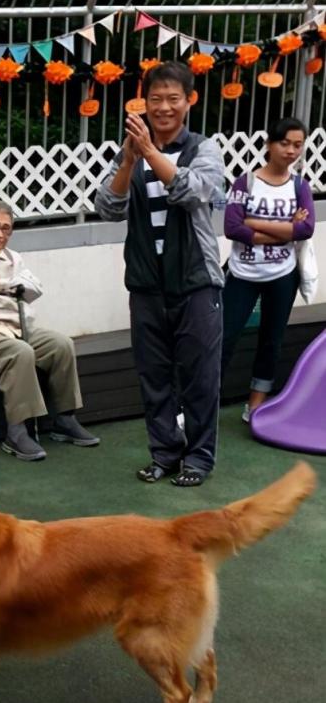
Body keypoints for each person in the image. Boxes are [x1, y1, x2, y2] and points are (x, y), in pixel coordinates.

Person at [94, 60, 226, 488]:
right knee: (153, 377)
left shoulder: (204, 149)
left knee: (200, 377)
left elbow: (192, 191)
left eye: (173, 99)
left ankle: (198, 459)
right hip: (146, 285)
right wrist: (129, 162)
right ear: (144, 102)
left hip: (197, 282)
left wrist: (150, 152)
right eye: (155, 99)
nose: (164, 107)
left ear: (190, 101)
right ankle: (165, 454)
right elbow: (107, 208)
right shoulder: (130, 151)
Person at [0, 200, 100, 461]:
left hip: (19, 326)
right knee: (20, 352)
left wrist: (0, 285)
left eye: (6, 229)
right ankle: (17, 430)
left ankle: (65, 418)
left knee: (61, 345)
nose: (0, 234)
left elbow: (34, 287)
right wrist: (1, 288)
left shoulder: (13, 258)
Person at [220, 117, 315, 421]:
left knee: (271, 340)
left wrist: (253, 222)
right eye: (284, 143)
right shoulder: (246, 182)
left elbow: (306, 229)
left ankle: (256, 404)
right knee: (223, 338)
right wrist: (286, 228)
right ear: (269, 144)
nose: (291, 151)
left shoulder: (300, 187)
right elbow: (232, 228)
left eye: (297, 145)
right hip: (242, 274)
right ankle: (203, 401)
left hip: (282, 275)